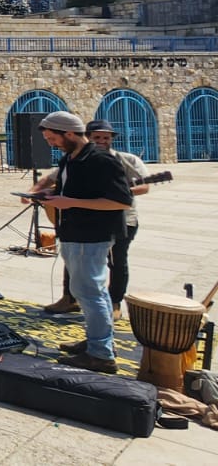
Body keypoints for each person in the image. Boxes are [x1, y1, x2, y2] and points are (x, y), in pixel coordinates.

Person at [27, 111, 134, 374]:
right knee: (89, 292)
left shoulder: (101, 160)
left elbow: (121, 201)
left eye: (54, 139)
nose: (52, 144)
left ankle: (100, 355)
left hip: (92, 235)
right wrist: (47, 194)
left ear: (70, 134)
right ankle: (99, 341)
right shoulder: (70, 159)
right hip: (73, 233)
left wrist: (70, 202)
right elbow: (72, 191)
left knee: (89, 292)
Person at [39, 119, 151, 320]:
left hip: (115, 222)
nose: (102, 141)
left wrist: (98, 194)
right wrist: (41, 192)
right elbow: (53, 179)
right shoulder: (73, 159)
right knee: (77, 271)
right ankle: (71, 300)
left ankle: (113, 306)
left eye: (106, 138)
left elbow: (133, 193)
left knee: (113, 266)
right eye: (97, 137)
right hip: (79, 226)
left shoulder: (118, 160)